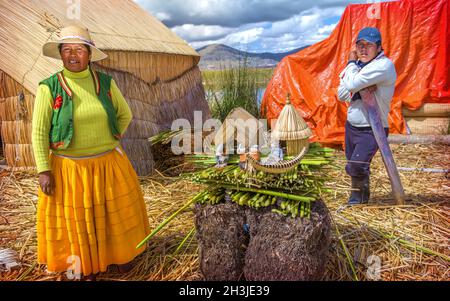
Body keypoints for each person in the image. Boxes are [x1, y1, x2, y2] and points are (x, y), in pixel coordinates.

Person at [32, 25, 150, 280]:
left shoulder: (105, 83)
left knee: (112, 216)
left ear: (89, 54)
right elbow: (39, 131)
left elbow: (125, 113)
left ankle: (120, 256)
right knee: (79, 220)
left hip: (108, 163)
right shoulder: (49, 88)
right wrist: (44, 169)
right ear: (61, 55)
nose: (73, 55)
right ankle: (84, 265)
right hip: (70, 168)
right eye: (67, 50)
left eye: (79, 50)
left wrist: (111, 136)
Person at [337, 27, 397, 205]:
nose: (363, 49)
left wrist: (350, 65)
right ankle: (360, 195)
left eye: (369, 45)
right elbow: (341, 93)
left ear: (379, 48)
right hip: (352, 126)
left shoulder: (383, 65)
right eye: (360, 45)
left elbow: (352, 82)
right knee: (354, 163)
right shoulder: (360, 67)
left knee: (356, 165)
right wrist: (358, 86)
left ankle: (358, 199)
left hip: (372, 127)